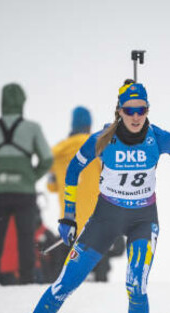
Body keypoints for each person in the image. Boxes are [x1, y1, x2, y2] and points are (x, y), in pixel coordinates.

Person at [0, 80, 170, 313]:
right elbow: (74, 170)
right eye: (129, 110)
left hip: (143, 220)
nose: (135, 116)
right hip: (104, 220)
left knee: (136, 284)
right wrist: (68, 217)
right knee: (64, 284)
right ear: (119, 111)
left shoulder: (158, 138)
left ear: (147, 110)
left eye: (141, 109)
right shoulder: (103, 139)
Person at [0, 83, 53, 285]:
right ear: (22, 102)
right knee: (26, 238)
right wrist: (32, 176)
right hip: (24, 192)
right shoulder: (33, 128)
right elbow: (47, 158)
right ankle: (27, 279)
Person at [47, 106, 124, 282]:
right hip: (96, 226)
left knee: (67, 277)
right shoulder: (97, 146)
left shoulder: (59, 152)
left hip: (69, 225)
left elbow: (52, 186)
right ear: (89, 126)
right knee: (99, 273)